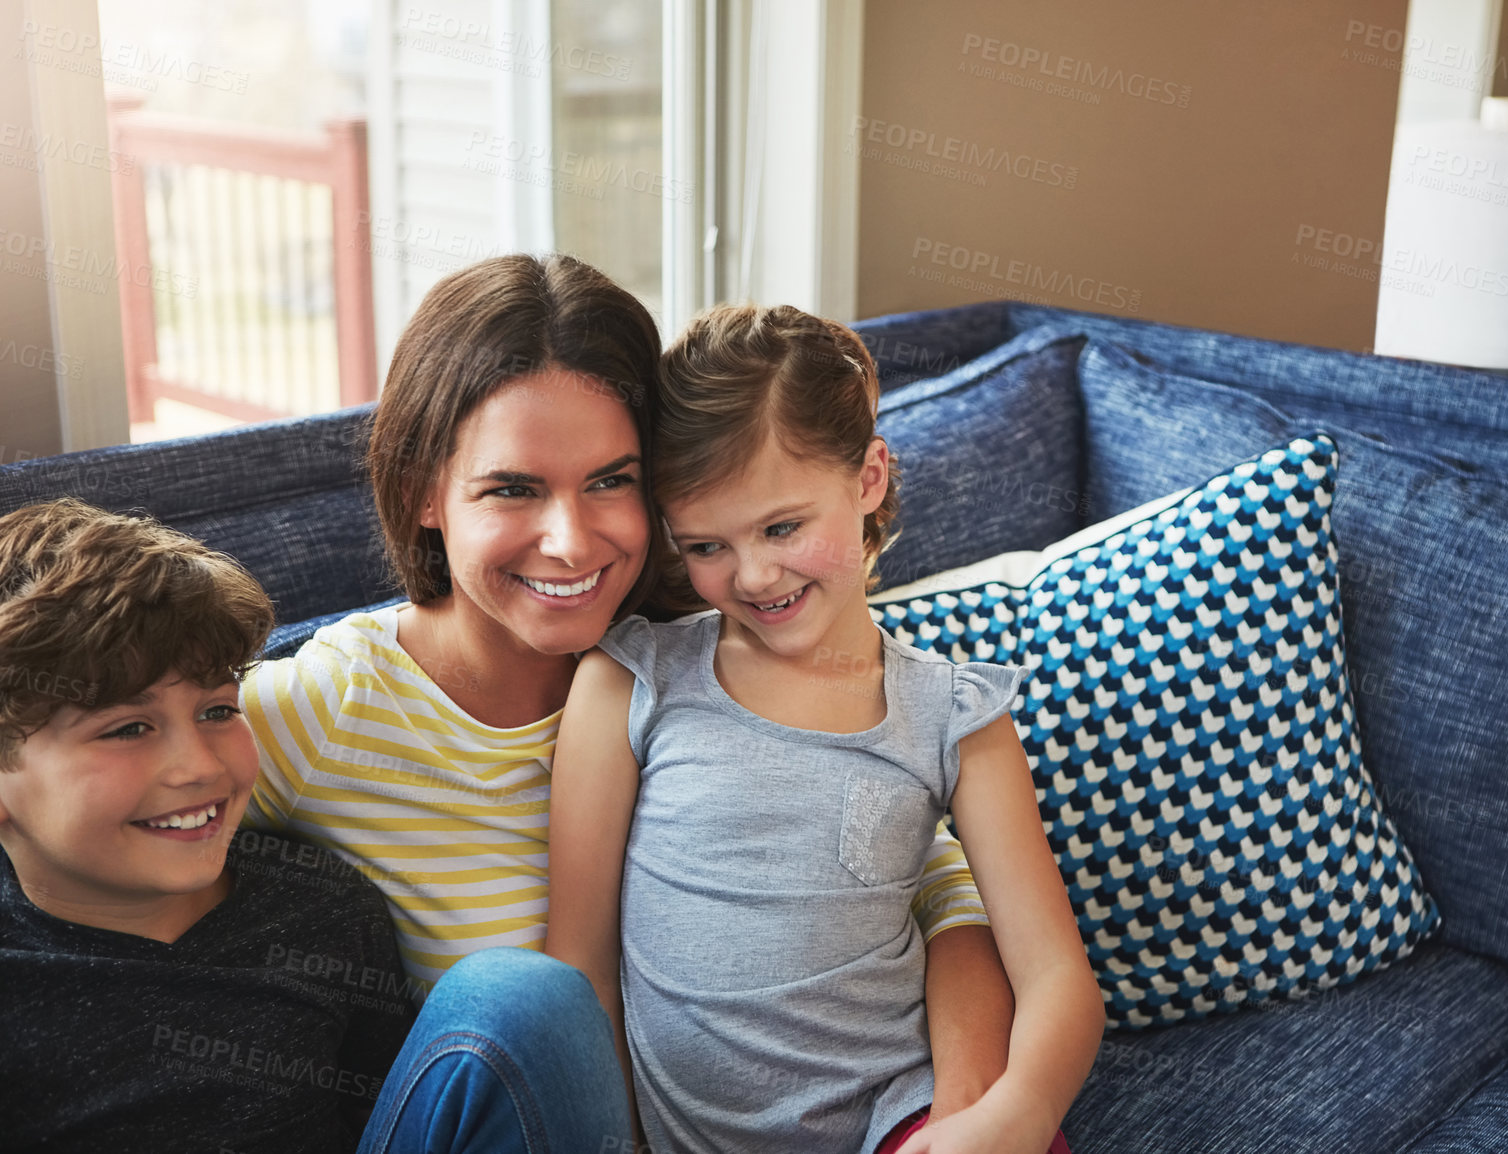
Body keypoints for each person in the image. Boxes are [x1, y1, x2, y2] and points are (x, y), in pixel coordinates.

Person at [240, 255, 1019, 1119]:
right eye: (512, 489)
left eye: (611, 480)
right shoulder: (328, 708)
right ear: (428, 492)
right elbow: (96, 811)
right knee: (522, 997)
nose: (571, 544)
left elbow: (934, 883)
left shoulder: (723, 662)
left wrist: (972, 1109)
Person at [545, 303, 1105, 1154]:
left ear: (869, 477)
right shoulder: (629, 682)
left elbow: (1059, 977)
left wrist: (1012, 1115)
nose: (754, 574)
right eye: (705, 547)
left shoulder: (952, 715)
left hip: (901, 1123)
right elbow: (578, 970)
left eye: (782, 527)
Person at [0, 498, 632, 1154]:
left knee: (521, 992)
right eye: (128, 728)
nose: (198, 766)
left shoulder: (326, 914)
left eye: (217, 711)